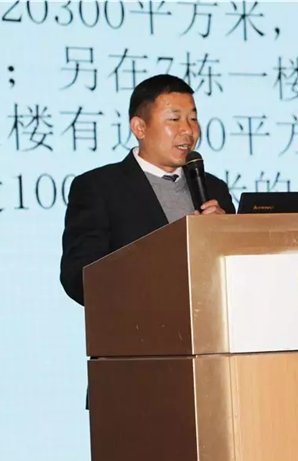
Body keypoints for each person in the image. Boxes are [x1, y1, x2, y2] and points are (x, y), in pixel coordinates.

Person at [60, 74, 235, 306]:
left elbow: (238, 272)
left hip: (210, 322)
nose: (188, 130)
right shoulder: (99, 187)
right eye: (174, 119)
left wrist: (225, 236)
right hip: (137, 323)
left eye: (193, 119)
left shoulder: (214, 189)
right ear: (139, 127)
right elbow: (78, 276)